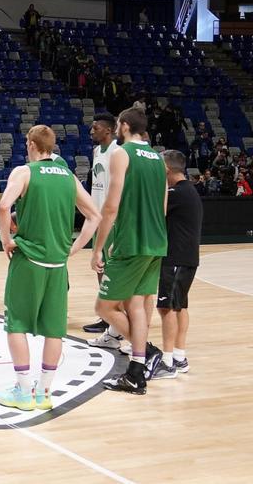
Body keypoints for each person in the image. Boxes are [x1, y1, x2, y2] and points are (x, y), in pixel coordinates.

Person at [0, 125, 101, 411]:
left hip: (29, 259)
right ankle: (43, 393)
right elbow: (94, 215)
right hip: (57, 263)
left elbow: (4, 207)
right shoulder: (68, 176)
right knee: (55, 330)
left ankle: (23, 389)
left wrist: (6, 240)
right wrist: (74, 248)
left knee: (16, 324)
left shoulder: (24, 172)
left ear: (31, 144)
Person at [91, 107, 168, 395]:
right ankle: (136, 374)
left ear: (123, 126)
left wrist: (98, 247)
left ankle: (146, 351)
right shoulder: (159, 160)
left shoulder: (121, 154)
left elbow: (111, 206)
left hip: (131, 241)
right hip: (157, 240)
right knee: (136, 306)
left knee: (105, 307)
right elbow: (162, 207)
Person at [150, 151, 202, 379]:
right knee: (179, 306)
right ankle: (180, 357)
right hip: (187, 258)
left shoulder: (175, 192)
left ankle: (168, 361)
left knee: (166, 307)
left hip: (176, 258)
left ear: (167, 170)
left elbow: (153, 212)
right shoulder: (187, 190)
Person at [83, 113, 120, 334]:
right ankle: (107, 315)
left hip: (113, 220)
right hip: (97, 217)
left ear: (108, 130)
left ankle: (117, 316)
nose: (91, 131)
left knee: (113, 269)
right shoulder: (97, 151)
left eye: (95, 127)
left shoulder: (118, 152)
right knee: (100, 266)